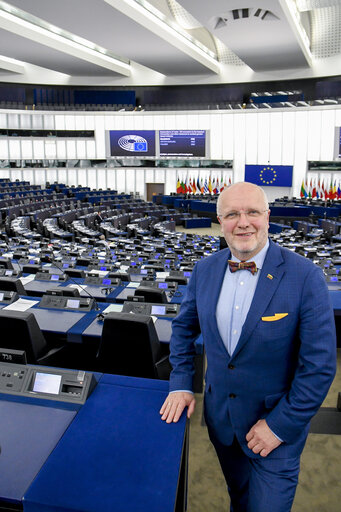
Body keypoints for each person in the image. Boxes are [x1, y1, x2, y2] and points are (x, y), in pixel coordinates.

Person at [160, 182, 336, 512]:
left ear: (267, 217)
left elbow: (320, 367)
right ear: (219, 220)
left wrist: (279, 426)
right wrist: (181, 384)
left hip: (278, 430)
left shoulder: (305, 277)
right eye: (231, 214)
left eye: (252, 212)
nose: (243, 222)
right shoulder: (205, 270)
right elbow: (183, 329)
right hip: (222, 423)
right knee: (239, 497)